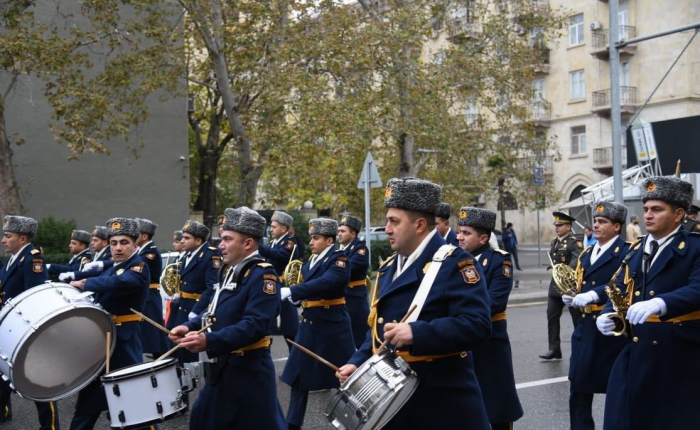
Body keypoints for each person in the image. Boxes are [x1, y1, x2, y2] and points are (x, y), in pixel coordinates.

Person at [336, 178, 492, 429]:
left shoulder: (456, 263)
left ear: (420, 224)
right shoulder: (389, 267)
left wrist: (415, 332)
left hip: (442, 406)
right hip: (395, 404)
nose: (386, 229)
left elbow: (477, 325)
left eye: (394, 221)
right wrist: (358, 361)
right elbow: (379, 330)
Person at [597, 176, 700, 429]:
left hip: (678, 354)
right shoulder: (636, 249)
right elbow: (618, 288)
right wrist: (609, 314)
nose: (648, 215)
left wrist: (662, 303)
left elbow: (698, 288)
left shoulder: (694, 247)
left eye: (657, 209)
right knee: (625, 418)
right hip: (637, 350)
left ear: (678, 215)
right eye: (645, 209)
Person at [169, 207, 285, 430]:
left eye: (227, 239)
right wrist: (189, 325)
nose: (220, 245)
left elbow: (255, 325)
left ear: (248, 243)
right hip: (223, 367)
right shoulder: (229, 270)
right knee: (202, 419)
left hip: (248, 371)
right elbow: (215, 312)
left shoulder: (263, 274)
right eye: (221, 239)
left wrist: (209, 341)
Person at [68, 218, 151, 430]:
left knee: (135, 403)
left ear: (135, 244)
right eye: (113, 243)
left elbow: (122, 283)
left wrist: (87, 284)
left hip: (124, 343)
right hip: (103, 341)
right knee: (89, 400)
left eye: (124, 242)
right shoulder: (113, 268)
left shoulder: (139, 266)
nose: (118, 248)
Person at [280, 218, 355, 430]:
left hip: (333, 325)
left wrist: (293, 291)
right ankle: (292, 424)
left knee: (346, 378)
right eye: (311, 238)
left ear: (329, 240)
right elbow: (310, 287)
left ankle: (355, 422)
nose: (311, 242)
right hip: (310, 323)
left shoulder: (339, 259)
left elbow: (328, 281)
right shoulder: (309, 262)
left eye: (316, 238)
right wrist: (297, 298)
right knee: (297, 376)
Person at [561, 202, 629, 430]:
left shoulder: (627, 252)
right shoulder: (587, 252)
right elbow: (581, 282)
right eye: (596, 221)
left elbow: (621, 284)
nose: (596, 225)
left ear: (617, 227)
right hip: (585, 327)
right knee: (578, 388)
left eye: (603, 222)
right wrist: (573, 295)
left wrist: (592, 295)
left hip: (610, 328)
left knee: (617, 391)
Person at [456, 206, 523, 430]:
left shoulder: (498, 261)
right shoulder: (451, 261)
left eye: (466, 233)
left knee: (496, 407)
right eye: (460, 231)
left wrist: (456, 312)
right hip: (460, 342)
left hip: (490, 343)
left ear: (483, 238)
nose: (459, 237)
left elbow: (495, 302)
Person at [0, 215, 61, 429]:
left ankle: (51, 427)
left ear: (23, 238)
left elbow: (35, 297)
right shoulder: (14, 259)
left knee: (40, 385)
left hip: (28, 330)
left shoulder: (33, 259)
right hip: (11, 328)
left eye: (8, 236)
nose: (3, 240)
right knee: (3, 377)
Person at [166, 220, 221, 365]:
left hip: (194, 308)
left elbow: (212, 288)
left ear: (198, 240)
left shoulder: (210, 256)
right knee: (176, 347)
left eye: (186, 238)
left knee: (189, 352)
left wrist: (197, 311)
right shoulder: (188, 255)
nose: (182, 241)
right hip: (181, 306)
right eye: (182, 237)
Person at [540, 211, 583, 360]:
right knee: (551, 316)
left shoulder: (575, 241)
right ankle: (554, 349)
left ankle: (581, 347)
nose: (556, 227)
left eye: (560, 225)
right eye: (556, 225)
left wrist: (564, 270)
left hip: (569, 286)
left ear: (568, 226)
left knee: (576, 318)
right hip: (555, 286)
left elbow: (577, 260)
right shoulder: (555, 242)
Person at [258, 211, 303, 348]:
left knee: (290, 326)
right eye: (271, 227)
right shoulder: (273, 243)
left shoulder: (290, 242)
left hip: (284, 285)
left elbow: (280, 255)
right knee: (266, 320)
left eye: (274, 227)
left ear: (284, 229)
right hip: (271, 285)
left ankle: (295, 354)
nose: (270, 229)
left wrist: (257, 246)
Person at [135, 218, 168, 358]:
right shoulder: (144, 250)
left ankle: (162, 359)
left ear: (144, 236)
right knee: (149, 332)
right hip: (146, 294)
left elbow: (136, 265)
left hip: (150, 295)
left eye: (135, 234)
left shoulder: (150, 252)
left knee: (153, 330)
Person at [338, 214, 370, 348]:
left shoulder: (360, 249)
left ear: (353, 234)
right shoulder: (338, 249)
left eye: (343, 231)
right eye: (338, 231)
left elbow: (347, 267)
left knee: (359, 336)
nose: (339, 234)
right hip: (342, 297)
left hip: (355, 298)